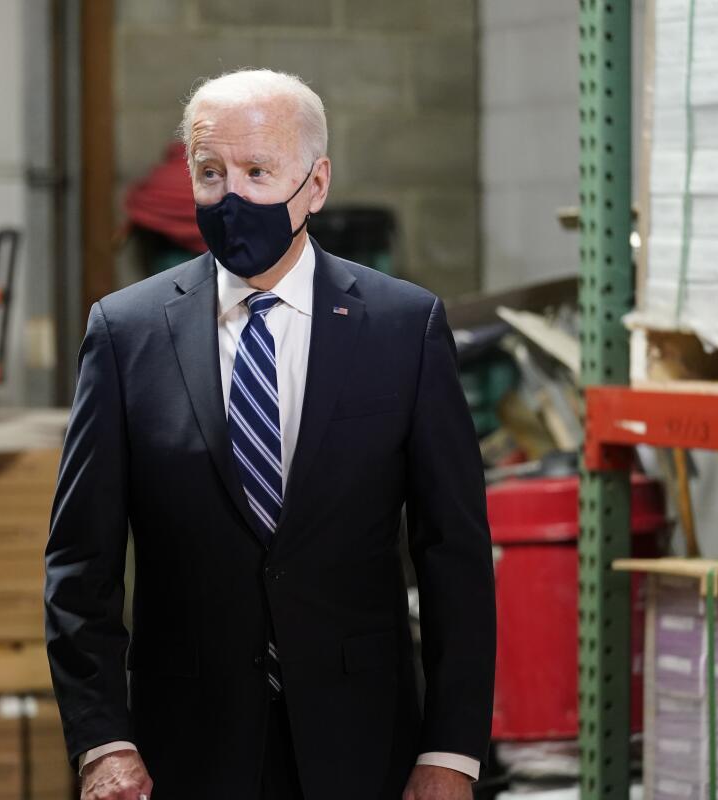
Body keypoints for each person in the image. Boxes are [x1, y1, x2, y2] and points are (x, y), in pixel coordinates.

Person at [44, 68, 495, 800]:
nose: (232, 197)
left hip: (363, 740)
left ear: (315, 185)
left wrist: (452, 750)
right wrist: (103, 742)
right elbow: (79, 564)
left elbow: (454, 555)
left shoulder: (403, 328)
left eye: (258, 172)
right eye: (212, 172)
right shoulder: (126, 333)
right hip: (182, 749)